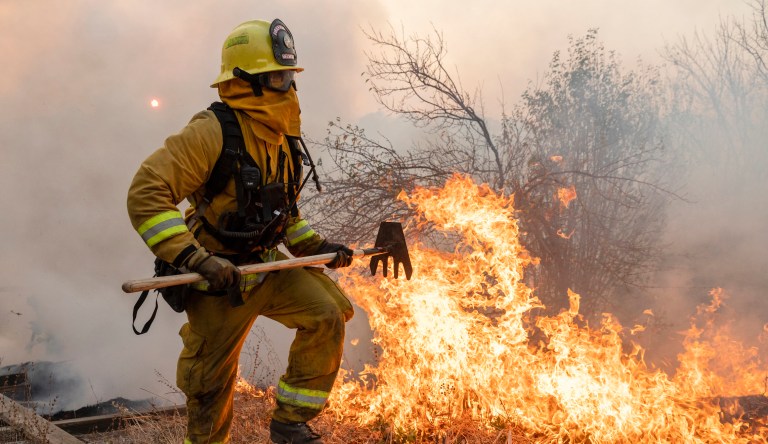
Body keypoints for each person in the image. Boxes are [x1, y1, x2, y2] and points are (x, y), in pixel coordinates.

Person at [127, 18, 354, 444]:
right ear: (246, 80)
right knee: (210, 387)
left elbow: (284, 212)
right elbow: (146, 193)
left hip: (264, 268)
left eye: (289, 75)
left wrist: (318, 246)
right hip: (219, 281)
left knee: (326, 314)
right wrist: (196, 259)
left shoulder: (281, 134)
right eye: (277, 76)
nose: (288, 86)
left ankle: (289, 423)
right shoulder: (212, 131)